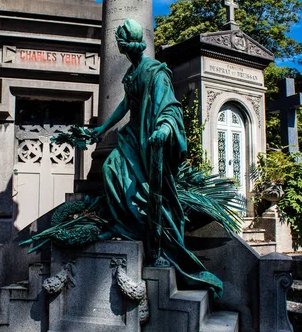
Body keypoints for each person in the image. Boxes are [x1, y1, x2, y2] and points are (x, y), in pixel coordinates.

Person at [92, 18, 223, 296]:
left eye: (119, 40)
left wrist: (164, 129)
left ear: (126, 44)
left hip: (150, 138)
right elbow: (127, 104)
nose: (118, 45)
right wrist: (103, 128)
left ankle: (154, 237)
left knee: (150, 192)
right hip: (132, 135)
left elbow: (170, 107)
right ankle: (123, 223)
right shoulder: (132, 72)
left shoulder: (156, 72)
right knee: (111, 169)